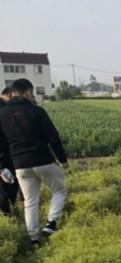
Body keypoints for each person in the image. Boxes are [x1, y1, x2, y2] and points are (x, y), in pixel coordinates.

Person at [0, 79, 68, 247]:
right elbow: (53, 137)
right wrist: (63, 159)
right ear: (28, 92)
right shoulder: (37, 111)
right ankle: (51, 223)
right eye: (32, 93)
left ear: (12, 92)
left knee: (30, 202)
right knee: (59, 190)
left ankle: (34, 240)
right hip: (42, 160)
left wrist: (2, 166)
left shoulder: (2, 115)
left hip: (20, 165)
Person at [0, 86, 20, 216]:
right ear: (9, 95)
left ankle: (10, 213)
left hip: (5, 154)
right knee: (9, 187)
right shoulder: (4, 109)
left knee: (8, 187)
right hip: (5, 155)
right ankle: (9, 213)